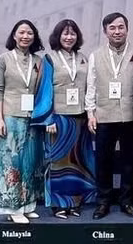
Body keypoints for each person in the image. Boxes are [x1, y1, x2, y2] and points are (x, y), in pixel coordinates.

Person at [31, 19, 97, 219]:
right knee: (58, 163)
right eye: (65, 34)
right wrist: (48, 118)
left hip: (80, 117)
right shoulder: (49, 59)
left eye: (73, 34)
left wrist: (91, 113)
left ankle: (75, 202)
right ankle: (59, 204)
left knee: (78, 162)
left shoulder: (83, 58)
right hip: (58, 119)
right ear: (58, 36)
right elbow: (44, 90)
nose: (69, 37)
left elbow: (91, 87)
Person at [85, 12, 133, 219]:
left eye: (121, 27)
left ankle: (126, 201)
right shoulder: (95, 55)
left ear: (127, 29)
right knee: (104, 161)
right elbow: (91, 86)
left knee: (129, 161)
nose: (117, 31)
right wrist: (90, 113)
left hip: (130, 116)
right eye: (112, 28)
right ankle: (103, 202)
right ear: (105, 31)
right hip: (104, 116)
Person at [0, 19, 45, 224]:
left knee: (30, 162)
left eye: (29, 33)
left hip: (32, 118)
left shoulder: (39, 61)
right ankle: (12, 206)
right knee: (12, 162)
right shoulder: (3, 60)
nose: (25, 36)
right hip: (11, 117)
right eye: (21, 32)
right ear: (14, 35)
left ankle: (27, 204)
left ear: (34, 37)